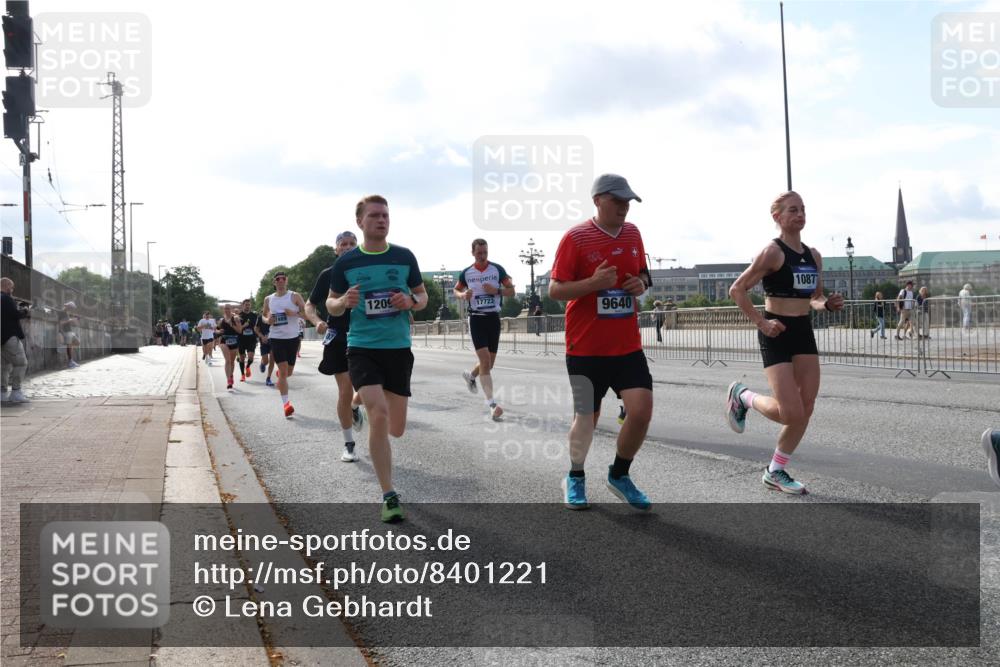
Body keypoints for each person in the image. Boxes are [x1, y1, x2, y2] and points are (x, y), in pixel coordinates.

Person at [726, 191, 844, 495]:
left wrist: (826, 305)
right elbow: (737, 290)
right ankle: (743, 397)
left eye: (803, 209)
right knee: (791, 413)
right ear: (777, 217)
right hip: (775, 332)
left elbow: (814, 297)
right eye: (793, 210)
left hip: (802, 331)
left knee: (806, 408)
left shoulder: (813, 255)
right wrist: (762, 323)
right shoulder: (772, 253)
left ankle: (775, 471)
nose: (800, 214)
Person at [548, 173, 654, 511]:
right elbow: (555, 291)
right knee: (586, 418)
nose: (624, 207)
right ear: (598, 200)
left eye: (628, 202)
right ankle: (575, 476)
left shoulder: (634, 233)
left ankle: (619, 475)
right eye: (618, 201)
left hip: (626, 346)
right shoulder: (576, 238)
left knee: (640, 412)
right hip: (586, 348)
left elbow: (644, 273)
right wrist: (593, 283)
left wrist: (640, 283)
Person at [327, 194, 428, 523]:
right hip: (362, 347)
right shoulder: (346, 263)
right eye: (374, 215)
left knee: (396, 428)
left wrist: (409, 300)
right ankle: (389, 495)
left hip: (398, 348)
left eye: (385, 215)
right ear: (360, 221)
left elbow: (423, 296)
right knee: (380, 415)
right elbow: (330, 304)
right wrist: (344, 300)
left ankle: (357, 403)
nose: (381, 220)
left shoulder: (404, 256)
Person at [306, 230, 366, 463]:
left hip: (367, 334)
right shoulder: (328, 274)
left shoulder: (366, 271)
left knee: (374, 384)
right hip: (338, 336)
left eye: (352, 243)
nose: (348, 247)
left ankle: (354, 405)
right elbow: (310, 305)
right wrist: (317, 321)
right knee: (345, 388)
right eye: (343, 244)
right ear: (336, 249)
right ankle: (349, 444)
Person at [455, 238, 515, 421]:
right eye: (479, 253)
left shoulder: (497, 269)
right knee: (485, 360)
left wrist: (496, 291)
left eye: (485, 253)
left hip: (493, 319)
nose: (482, 256)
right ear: (472, 252)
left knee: (489, 364)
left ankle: (471, 375)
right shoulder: (467, 273)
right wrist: (463, 295)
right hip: (476, 319)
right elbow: (455, 291)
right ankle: (492, 405)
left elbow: (511, 291)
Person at [264, 271, 307, 417]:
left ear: (286, 281)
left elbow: (306, 313)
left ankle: (281, 378)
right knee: (283, 372)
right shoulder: (268, 299)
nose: (281, 281)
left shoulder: (294, 296)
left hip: (292, 338)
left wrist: (294, 313)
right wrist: (267, 320)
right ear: (274, 282)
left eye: (283, 278)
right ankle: (286, 404)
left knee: (288, 372)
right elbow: (264, 315)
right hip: (276, 338)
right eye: (278, 279)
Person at [1, 277, 30, 404]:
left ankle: (2, 393)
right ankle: (16, 392)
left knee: (4, 365)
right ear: (7, 286)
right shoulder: (6, 298)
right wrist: (25, 311)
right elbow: (15, 314)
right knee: (21, 363)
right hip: (10, 336)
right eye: (12, 288)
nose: (12, 290)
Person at [217, 304, 243, 390]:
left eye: (228, 308)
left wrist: (232, 325)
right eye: (225, 309)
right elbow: (216, 330)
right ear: (223, 310)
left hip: (234, 340)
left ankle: (231, 375)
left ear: (231, 309)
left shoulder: (236, 318)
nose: (226, 310)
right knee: (227, 360)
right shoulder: (221, 320)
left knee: (232, 361)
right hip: (224, 341)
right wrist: (219, 331)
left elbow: (239, 331)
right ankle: (228, 380)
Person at [237, 299, 259, 382]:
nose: (247, 306)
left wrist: (257, 336)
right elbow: (237, 329)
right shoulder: (239, 316)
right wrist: (244, 326)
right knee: (242, 358)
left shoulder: (254, 315)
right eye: (246, 304)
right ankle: (242, 375)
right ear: (243, 305)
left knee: (251, 357)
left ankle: (248, 366)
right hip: (241, 339)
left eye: (249, 305)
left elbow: (257, 327)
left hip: (251, 339)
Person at [255, 316, 275, 387]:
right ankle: (263, 363)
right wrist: (262, 336)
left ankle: (268, 378)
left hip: (274, 341)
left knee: (272, 360)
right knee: (266, 361)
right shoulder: (260, 317)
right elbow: (256, 329)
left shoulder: (276, 315)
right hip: (264, 342)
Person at [60, 301, 81, 368]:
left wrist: (73, 320)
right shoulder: (62, 312)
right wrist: (71, 320)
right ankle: (70, 362)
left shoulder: (66, 313)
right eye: (71, 308)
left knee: (77, 342)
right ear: (68, 307)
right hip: (66, 332)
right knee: (70, 345)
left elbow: (67, 321)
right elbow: (61, 323)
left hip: (70, 331)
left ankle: (70, 360)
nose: (72, 309)